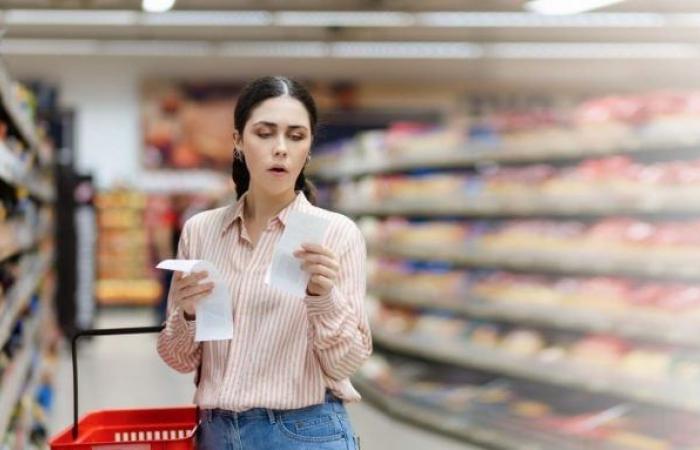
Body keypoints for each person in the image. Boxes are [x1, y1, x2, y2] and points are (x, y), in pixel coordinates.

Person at [157, 75, 372, 450]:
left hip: (305, 432)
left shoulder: (336, 235)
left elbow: (344, 365)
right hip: (217, 433)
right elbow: (178, 359)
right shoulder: (201, 232)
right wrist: (189, 314)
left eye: (295, 135)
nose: (280, 149)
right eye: (264, 133)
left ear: (309, 146)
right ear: (238, 140)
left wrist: (323, 296)